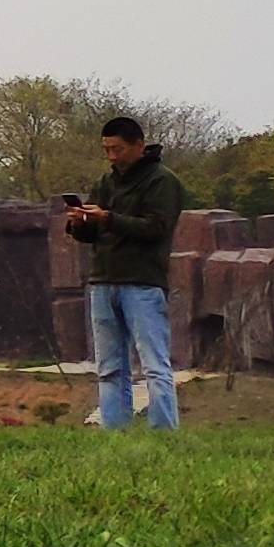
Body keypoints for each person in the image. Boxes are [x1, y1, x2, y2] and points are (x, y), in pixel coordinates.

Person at [66, 114, 187, 430]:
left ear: (139, 146)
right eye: (106, 149)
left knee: (154, 365)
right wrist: (79, 224)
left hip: (142, 282)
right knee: (109, 366)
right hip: (103, 281)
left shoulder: (162, 181)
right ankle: (115, 430)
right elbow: (94, 234)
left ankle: (164, 432)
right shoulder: (105, 183)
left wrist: (107, 218)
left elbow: (156, 228)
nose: (112, 156)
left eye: (117, 149)